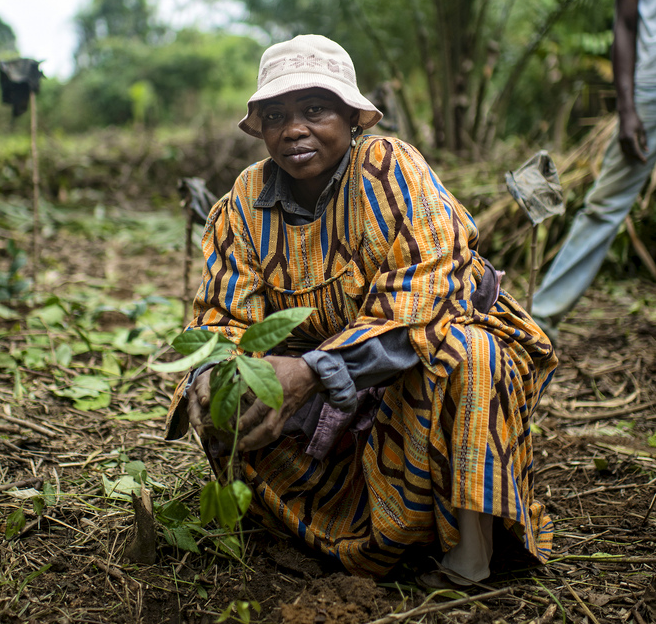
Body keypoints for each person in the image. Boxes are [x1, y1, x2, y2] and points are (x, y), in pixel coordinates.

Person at [166, 34, 556, 583]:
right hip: (325, 390)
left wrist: (313, 371)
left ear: (354, 118)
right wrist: (216, 375)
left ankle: (471, 553)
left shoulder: (389, 168)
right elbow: (222, 319)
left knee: (468, 352)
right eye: (275, 114)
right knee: (228, 399)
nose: (293, 128)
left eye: (315, 109)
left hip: (421, 353)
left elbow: (420, 303)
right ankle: (347, 538)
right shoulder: (243, 205)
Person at [532, 0, 656, 333]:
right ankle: (541, 321)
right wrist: (627, 109)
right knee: (606, 206)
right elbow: (624, 22)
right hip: (649, 90)